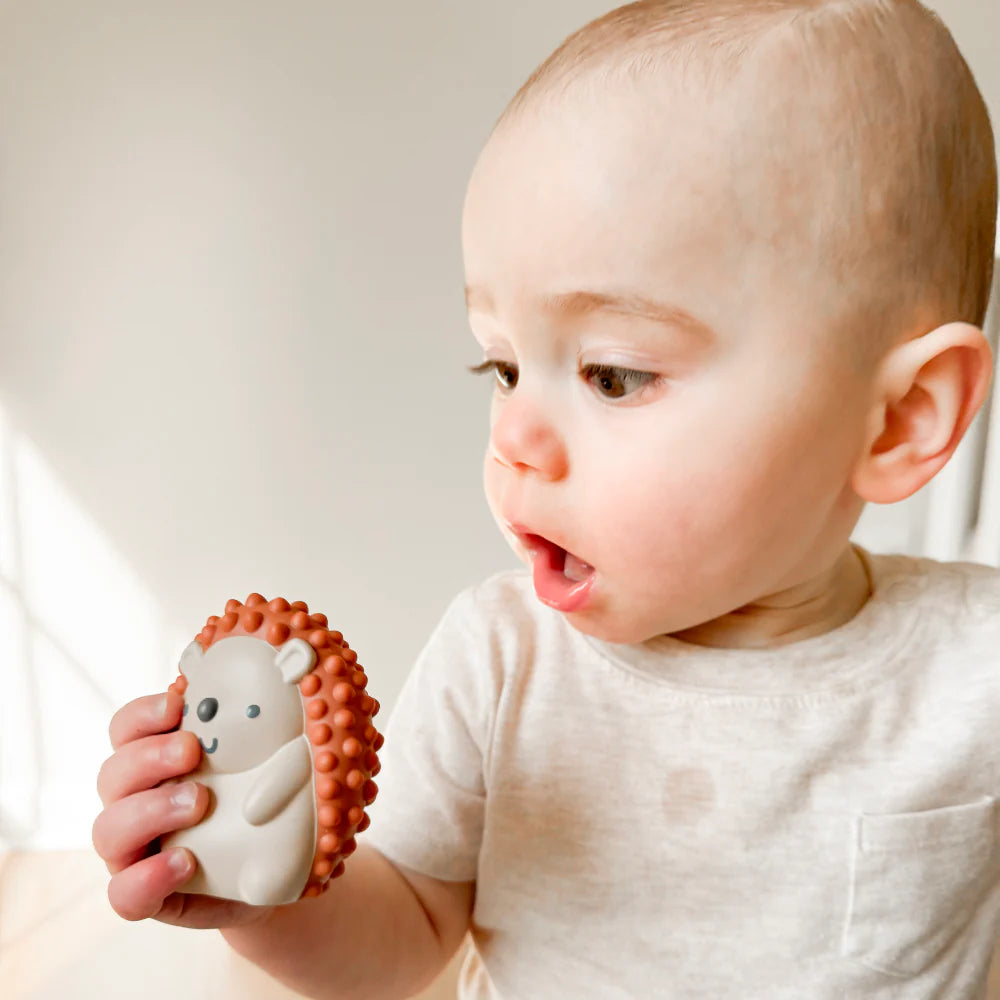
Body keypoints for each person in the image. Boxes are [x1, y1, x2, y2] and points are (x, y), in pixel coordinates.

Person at [92, 0, 1000, 996]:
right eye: (505, 367)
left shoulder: (973, 667)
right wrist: (266, 897)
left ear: (899, 420)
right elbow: (401, 939)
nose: (514, 436)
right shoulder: (501, 663)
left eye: (612, 375)